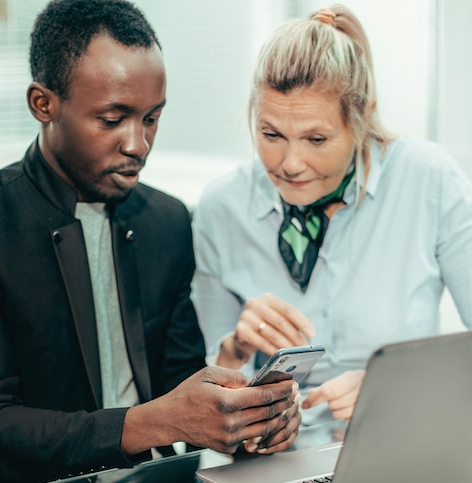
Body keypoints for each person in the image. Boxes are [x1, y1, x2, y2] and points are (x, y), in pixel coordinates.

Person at [0, 0, 300, 483]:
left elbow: (182, 385)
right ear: (44, 104)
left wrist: (244, 420)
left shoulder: (167, 221)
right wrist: (150, 424)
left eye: (151, 118)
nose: (138, 144)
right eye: (113, 119)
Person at [191, 4, 472, 426]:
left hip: (405, 440)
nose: (290, 163)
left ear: (362, 119)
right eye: (271, 135)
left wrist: (395, 388)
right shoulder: (221, 208)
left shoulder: (428, 178)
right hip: (275, 466)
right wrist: (237, 350)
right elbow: (207, 399)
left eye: (316, 138)